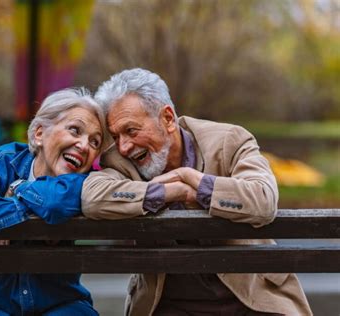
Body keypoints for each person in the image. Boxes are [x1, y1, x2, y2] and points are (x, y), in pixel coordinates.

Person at [81, 68, 312, 315]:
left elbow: (264, 200)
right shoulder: (119, 160)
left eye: (131, 130)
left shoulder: (229, 141)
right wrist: (167, 192)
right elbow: (92, 197)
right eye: (115, 136)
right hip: (170, 306)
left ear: (167, 118)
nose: (124, 146)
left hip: (251, 302)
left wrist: (197, 184)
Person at [0, 88, 107, 316]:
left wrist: (20, 190)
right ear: (39, 133)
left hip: (59, 304)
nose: (85, 146)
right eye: (75, 130)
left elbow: (55, 204)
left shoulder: (88, 182)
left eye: (95, 142)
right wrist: (24, 207)